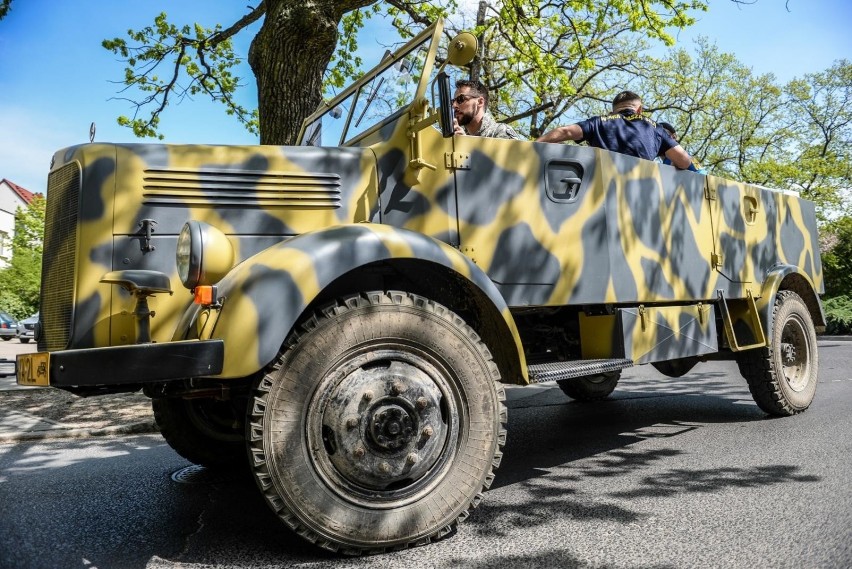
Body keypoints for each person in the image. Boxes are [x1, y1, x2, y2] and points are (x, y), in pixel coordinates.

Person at [536, 91, 694, 170]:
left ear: (613, 111)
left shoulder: (599, 122)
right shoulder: (653, 127)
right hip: (640, 192)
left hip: (601, 189)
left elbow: (565, 132)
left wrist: (531, 145)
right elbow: (684, 160)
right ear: (639, 110)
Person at [452, 79, 522, 140]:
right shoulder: (456, 136)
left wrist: (465, 146)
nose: (454, 105)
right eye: (452, 101)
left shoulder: (500, 131)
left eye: (460, 99)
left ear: (480, 102)